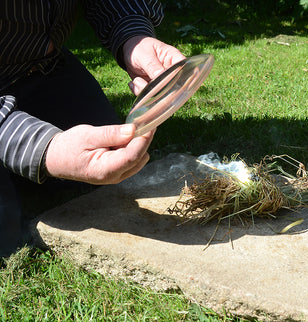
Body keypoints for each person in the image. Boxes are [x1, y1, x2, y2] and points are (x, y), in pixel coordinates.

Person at [0, 1, 186, 257]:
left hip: (47, 67)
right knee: (9, 238)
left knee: (107, 162)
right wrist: (43, 147)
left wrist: (132, 35)